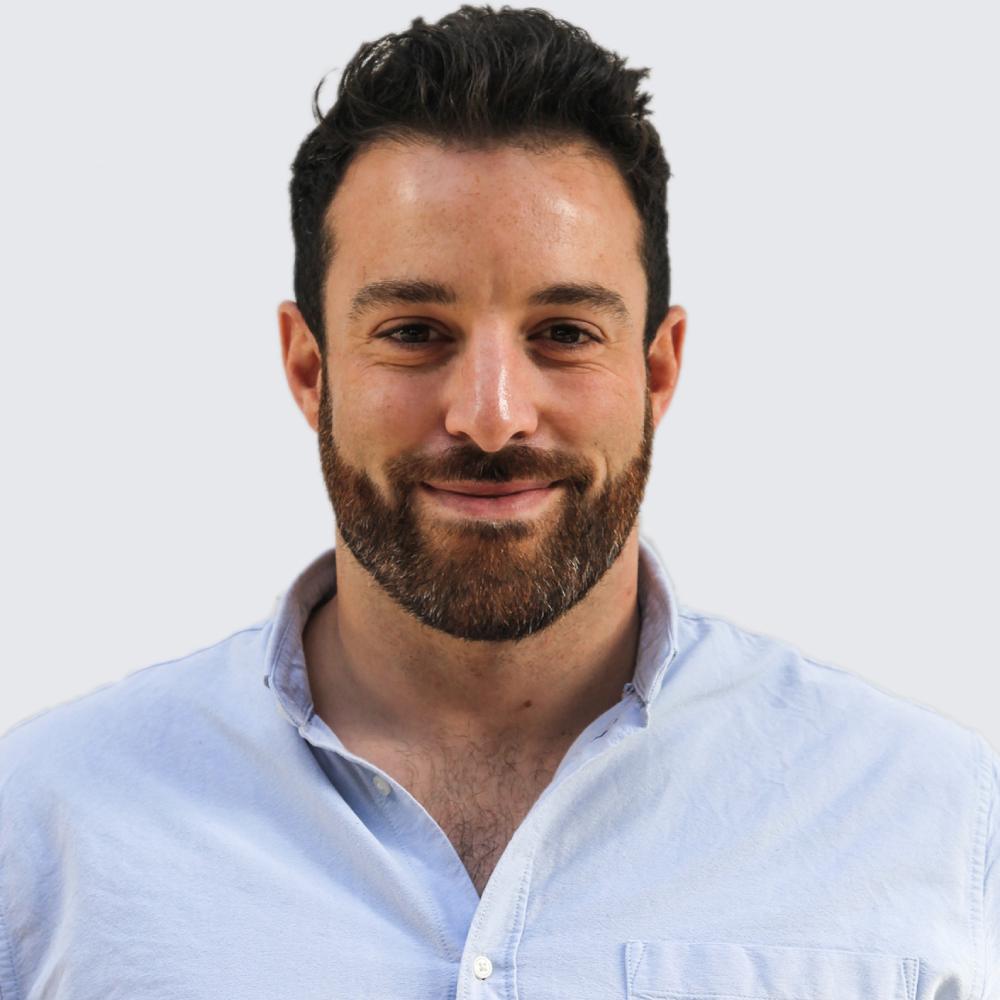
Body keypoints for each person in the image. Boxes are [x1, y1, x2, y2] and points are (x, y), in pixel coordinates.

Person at [0, 6, 996, 997]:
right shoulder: (47, 837)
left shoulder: (935, 826)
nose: (490, 416)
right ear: (309, 368)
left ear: (657, 369)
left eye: (563, 332)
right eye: (413, 331)